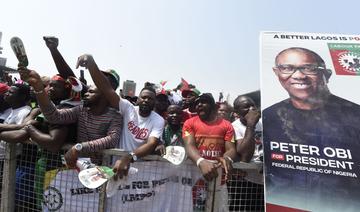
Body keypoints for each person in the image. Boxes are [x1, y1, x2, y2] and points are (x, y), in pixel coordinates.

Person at [263, 47, 360, 211]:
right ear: (276, 72)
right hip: (285, 204)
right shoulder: (270, 116)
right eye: (287, 68)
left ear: (326, 75)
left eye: (309, 68)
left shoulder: (355, 115)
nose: (299, 75)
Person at [75, 54, 165, 180]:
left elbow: (151, 143)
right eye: (143, 97)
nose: (146, 100)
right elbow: (107, 89)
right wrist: (91, 64)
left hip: (137, 168)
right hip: (113, 165)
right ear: (137, 99)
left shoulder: (158, 120)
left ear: (154, 103)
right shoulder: (128, 108)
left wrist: (129, 157)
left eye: (150, 99)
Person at [19, 67, 123, 168]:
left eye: (91, 92)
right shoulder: (81, 110)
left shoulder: (116, 115)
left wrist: (79, 147)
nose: (85, 94)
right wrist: (39, 89)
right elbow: (54, 116)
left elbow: (111, 140)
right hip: (77, 168)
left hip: (102, 171)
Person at [183, 93, 237, 212]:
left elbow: (231, 149)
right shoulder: (189, 123)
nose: (199, 105)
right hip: (195, 178)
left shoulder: (226, 125)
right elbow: (189, 146)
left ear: (213, 106)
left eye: (203, 101)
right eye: (197, 103)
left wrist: (227, 159)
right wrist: (201, 162)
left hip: (219, 180)